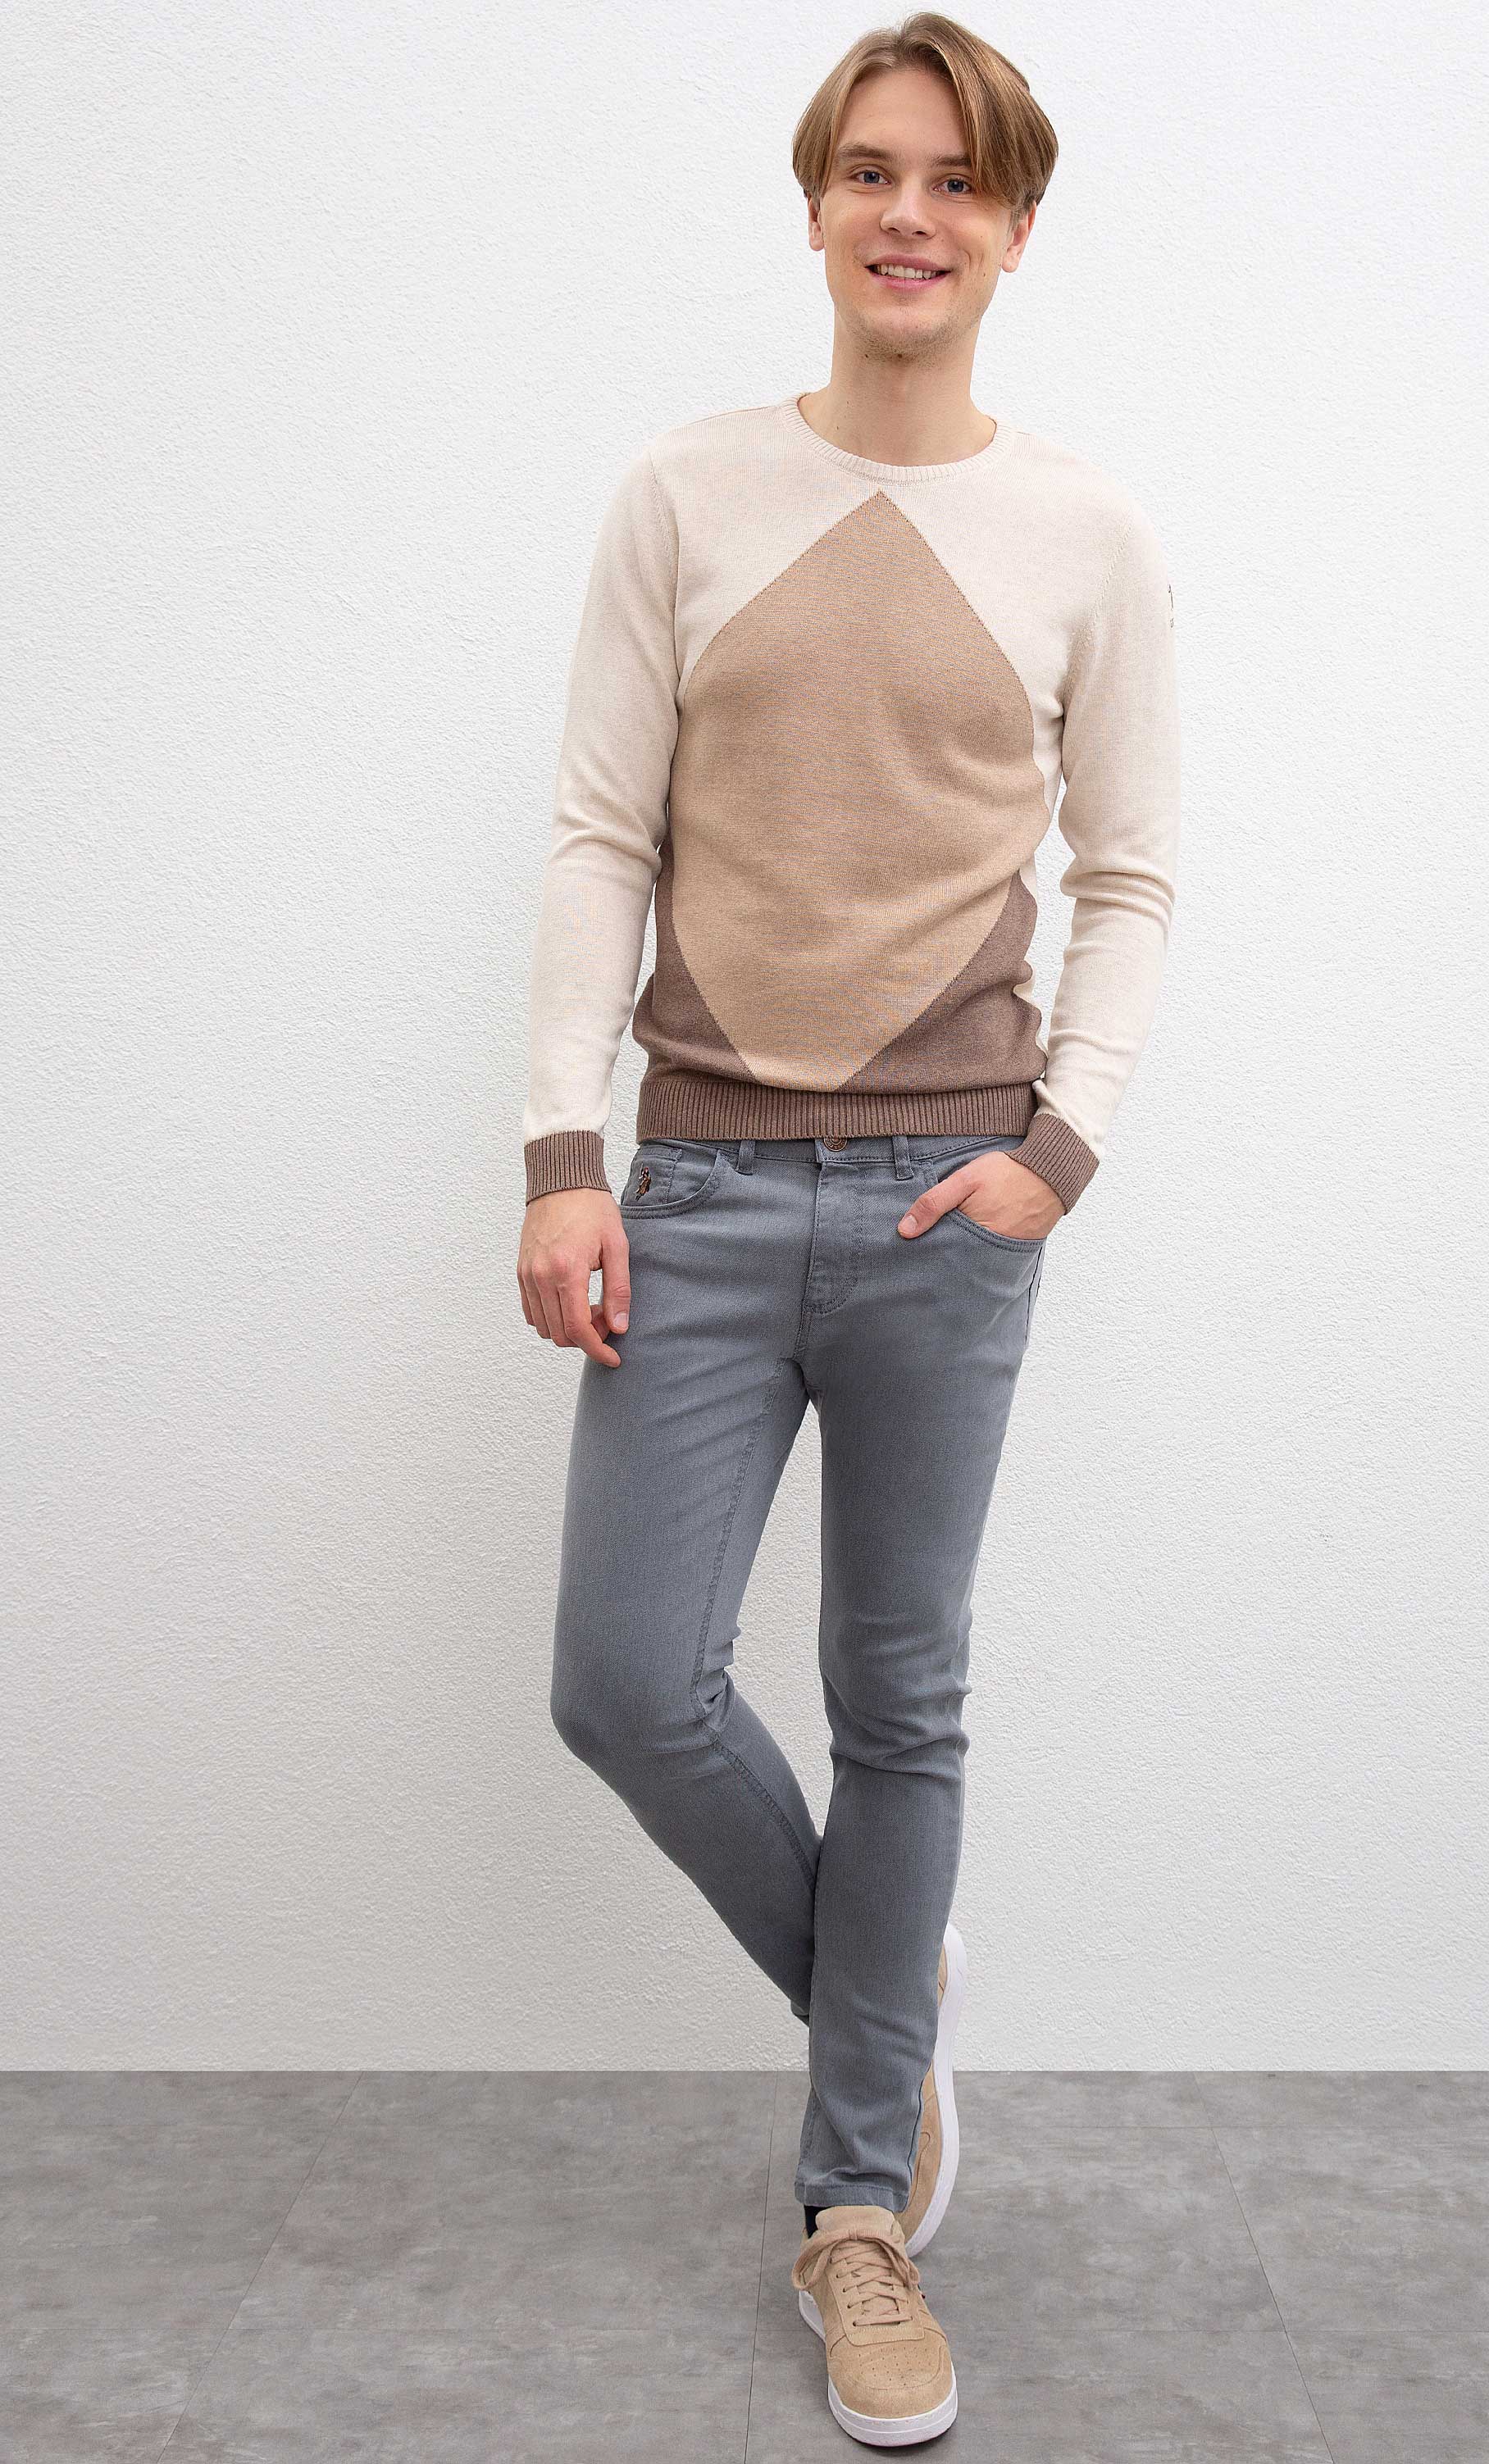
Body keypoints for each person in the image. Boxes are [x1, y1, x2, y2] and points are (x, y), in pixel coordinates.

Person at [517, 11, 1180, 2445]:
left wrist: (1058, 1150)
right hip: (688, 1188)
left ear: (1015, 229)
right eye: (873, 172)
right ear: (815, 207)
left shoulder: (1088, 535)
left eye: (959, 181)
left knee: (900, 1700)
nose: (912, 214)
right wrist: (561, 1154)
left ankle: (853, 2212)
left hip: (945, 1202)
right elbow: (601, 835)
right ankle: (887, 2013)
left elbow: (1131, 877)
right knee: (627, 1685)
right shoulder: (683, 497)